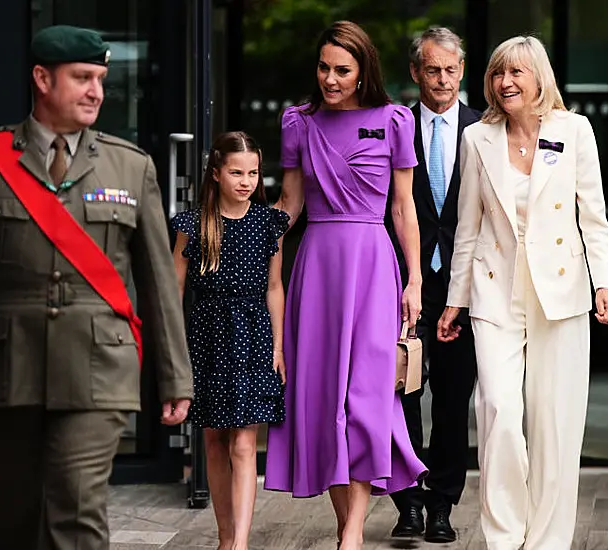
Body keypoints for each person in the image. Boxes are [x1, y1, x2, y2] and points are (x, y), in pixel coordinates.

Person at [0, 25, 193, 550]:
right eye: (83, 78)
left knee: (75, 509)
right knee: (14, 516)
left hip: (99, 367)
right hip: (6, 366)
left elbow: (159, 280)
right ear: (42, 79)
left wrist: (174, 376)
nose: (97, 91)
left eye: (101, 79)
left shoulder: (130, 166)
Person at [437, 36, 608, 550]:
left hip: (560, 293)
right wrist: (456, 299)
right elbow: (467, 228)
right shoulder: (478, 137)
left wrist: (603, 282)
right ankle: (503, 536)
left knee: (555, 424)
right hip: (495, 293)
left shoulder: (575, 130)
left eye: (516, 72)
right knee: (498, 410)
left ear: (540, 78)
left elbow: (594, 219)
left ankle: (547, 541)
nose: (505, 82)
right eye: (498, 73)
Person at [264, 20, 428, 550]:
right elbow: (290, 204)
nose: (330, 79)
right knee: (323, 398)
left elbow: (404, 208)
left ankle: (352, 533)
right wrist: (241, 236)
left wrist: (415, 278)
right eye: (323, 68)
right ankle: (347, 527)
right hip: (317, 267)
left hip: (375, 267)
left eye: (342, 70)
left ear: (363, 73)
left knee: (366, 398)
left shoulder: (394, 120)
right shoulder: (299, 121)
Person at [170, 131, 289, 550]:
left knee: (243, 440)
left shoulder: (269, 224)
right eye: (237, 172)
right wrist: (174, 355)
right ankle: (224, 538)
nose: (246, 181)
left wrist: (278, 346)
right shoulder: (194, 224)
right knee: (213, 438)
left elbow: (275, 287)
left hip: (253, 336)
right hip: (206, 338)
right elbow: (174, 291)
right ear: (217, 172)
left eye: (254, 172)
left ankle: (239, 543)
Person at [385, 26, 481, 544]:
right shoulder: (395, 125)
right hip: (403, 281)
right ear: (415, 72)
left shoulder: (483, 128)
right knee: (401, 392)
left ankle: (443, 502)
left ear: (461, 71)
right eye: (431, 69)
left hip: (464, 287)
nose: (442, 79)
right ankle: (409, 502)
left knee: (451, 397)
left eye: (450, 69)